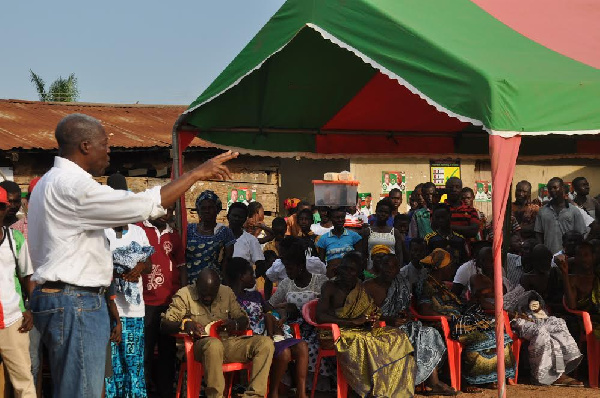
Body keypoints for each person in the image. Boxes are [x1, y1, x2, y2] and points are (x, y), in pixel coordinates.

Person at [28, 113, 238, 398]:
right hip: (74, 301)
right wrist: (195, 174)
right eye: (105, 143)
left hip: (66, 299)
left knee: (84, 388)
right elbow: (143, 205)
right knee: (82, 392)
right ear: (86, 146)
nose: (110, 149)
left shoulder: (47, 183)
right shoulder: (72, 186)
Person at [161, 269, 274, 398]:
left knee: (265, 343)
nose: (208, 298)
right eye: (204, 294)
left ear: (218, 288)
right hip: (197, 347)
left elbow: (243, 319)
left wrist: (235, 324)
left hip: (227, 343)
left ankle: (254, 396)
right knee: (213, 345)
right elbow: (165, 324)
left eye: (212, 294)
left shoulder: (226, 292)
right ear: (196, 284)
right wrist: (184, 324)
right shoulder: (184, 294)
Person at [415, 249, 516, 392]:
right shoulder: (427, 285)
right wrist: (449, 318)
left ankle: (491, 378)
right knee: (481, 339)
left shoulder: (441, 284)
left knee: (499, 336)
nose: (452, 268)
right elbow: (424, 310)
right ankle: (470, 381)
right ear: (442, 268)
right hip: (447, 324)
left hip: (461, 319)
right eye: (450, 265)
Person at [316, 253, 416, 397]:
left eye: (352, 270)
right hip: (335, 332)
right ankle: (369, 389)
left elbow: (371, 311)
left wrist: (376, 320)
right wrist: (351, 322)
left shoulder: (359, 288)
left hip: (359, 329)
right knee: (368, 342)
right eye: (345, 268)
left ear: (358, 273)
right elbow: (320, 317)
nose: (347, 273)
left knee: (397, 336)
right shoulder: (329, 286)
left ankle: (391, 388)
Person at [363, 254, 453, 395]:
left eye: (393, 267)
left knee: (430, 333)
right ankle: (432, 383)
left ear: (398, 269)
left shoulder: (402, 284)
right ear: (379, 267)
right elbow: (365, 315)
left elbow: (403, 309)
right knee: (418, 336)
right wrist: (388, 320)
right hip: (378, 329)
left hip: (401, 326)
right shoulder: (368, 286)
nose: (388, 269)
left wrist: (405, 316)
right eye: (385, 265)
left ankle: (431, 381)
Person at [103, 173, 155, 398]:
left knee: (134, 367)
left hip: (134, 311)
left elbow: (149, 263)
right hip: (108, 311)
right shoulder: (101, 231)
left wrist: (139, 268)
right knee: (112, 372)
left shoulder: (138, 232)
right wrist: (118, 272)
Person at [227, 257, 308, 398]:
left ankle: (302, 393)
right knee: (284, 353)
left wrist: (282, 312)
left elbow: (269, 310)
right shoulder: (230, 298)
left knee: (302, 346)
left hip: (269, 332)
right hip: (251, 339)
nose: (254, 277)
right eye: (250, 274)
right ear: (241, 277)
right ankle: (273, 392)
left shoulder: (255, 295)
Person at [268, 238, 330, 392]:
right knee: (285, 346)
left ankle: (310, 385)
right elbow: (270, 305)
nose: (287, 273)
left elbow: (327, 305)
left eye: (290, 268)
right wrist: (284, 307)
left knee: (311, 347)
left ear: (301, 266)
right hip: (292, 327)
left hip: (315, 327)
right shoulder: (287, 284)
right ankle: (294, 385)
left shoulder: (320, 281)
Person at [138, 204, 185, 398]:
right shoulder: (140, 230)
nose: (167, 215)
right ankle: (145, 390)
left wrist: (181, 299)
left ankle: (165, 391)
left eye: (171, 211)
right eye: (163, 209)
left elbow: (182, 267)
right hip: (145, 303)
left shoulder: (173, 235)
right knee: (145, 351)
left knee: (167, 351)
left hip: (169, 304)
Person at [0, 186, 36, 398]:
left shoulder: (15, 240)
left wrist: (29, 308)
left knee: (24, 381)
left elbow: (26, 276)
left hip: (13, 320)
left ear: (5, 209)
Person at [186, 190, 236, 284]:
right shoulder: (189, 229)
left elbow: (227, 260)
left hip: (213, 282)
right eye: (203, 208)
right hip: (190, 280)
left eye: (210, 207)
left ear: (217, 209)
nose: (207, 211)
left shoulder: (224, 231)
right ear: (198, 210)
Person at [535, 177, 587, 254]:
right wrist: (542, 251)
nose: (552, 190)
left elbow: (580, 234)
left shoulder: (574, 211)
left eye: (555, 188)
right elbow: (539, 233)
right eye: (550, 189)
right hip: (549, 257)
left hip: (568, 256)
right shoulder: (542, 211)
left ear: (562, 188)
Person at [560, 241, 600, 339]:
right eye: (579, 255)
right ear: (575, 258)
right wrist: (564, 273)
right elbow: (572, 305)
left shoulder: (598, 276)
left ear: (593, 257)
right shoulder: (572, 279)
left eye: (586, 255)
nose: (583, 259)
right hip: (586, 321)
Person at [316, 207, 363, 277]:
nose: (340, 220)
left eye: (342, 217)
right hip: (332, 275)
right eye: (337, 218)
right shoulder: (323, 239)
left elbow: (359, 258)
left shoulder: (354, 236)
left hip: (350, 275)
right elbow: (321, 262)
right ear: (331, 219)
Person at [425, 204, 470, 271]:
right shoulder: (430, 239)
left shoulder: (460, 239)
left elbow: (465, 262)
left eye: (443, 217)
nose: (440, 220)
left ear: (450, 216)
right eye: (437, 217)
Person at [228, 202, 266, 281]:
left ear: (245, 219)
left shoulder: (251, 240)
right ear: (228, 216)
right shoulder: (219, 237)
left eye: (240, 217)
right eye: (234, 216)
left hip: (245, 290)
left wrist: (249, 279)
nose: (237, 219)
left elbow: (261, 265)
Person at [365, 198, 404, 269]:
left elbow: (399, 254)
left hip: (391, 271)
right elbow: (364, 254)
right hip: (371, 270)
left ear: (389, 215)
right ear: (376, 212)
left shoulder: (395, 232)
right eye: (380, 211)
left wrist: (398, 270)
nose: (382, 214)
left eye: (386, 212)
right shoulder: (367, 231)